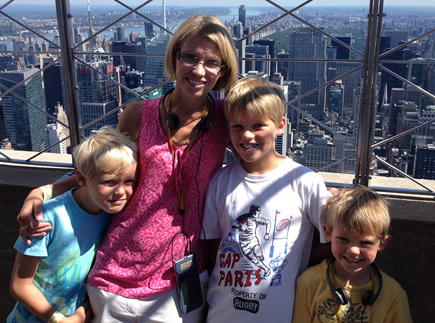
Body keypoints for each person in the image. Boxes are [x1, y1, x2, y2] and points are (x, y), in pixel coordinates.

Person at [17, 14, 238, 322]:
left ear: (223, 70)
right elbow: (101, 171)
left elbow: (261, 162)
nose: (199, 70)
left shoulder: (225, 120)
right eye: (190, 57)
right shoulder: (138, 115)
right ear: (175, 56)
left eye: (212, 62)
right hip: (114, 277)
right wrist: (43, 190)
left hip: (179, 283)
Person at [201, 76, 332, 322]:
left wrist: (295, 261)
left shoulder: (305, 182)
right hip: (221, 314)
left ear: (280, 125)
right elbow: (212, 250)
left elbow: (332, 241)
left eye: (258, 125)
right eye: (237, 126)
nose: (247, 135)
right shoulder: (219, 182)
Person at [8, 127, 138, 323]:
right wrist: (59, 320)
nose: (121, 191)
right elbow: (20, 284)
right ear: (82, 179)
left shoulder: (109, 211)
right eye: (110, 182)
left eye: (128, 181)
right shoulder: (46, 218)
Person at [292, 185, 412, 322]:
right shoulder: (308, 283)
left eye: (365, 243)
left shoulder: (393, 294)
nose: (353, 250)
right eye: (343, 239)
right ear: (328, 233)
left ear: (382, 243)